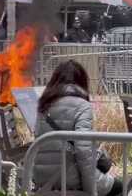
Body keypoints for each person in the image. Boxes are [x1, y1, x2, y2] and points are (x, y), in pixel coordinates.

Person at [33, 60, 122, 196]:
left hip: (42, 176)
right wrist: (91, 189)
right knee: (120, 187)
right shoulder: (82, 105)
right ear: (81, 81)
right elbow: (83, 149)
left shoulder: (44, 104)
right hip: (70, 175)